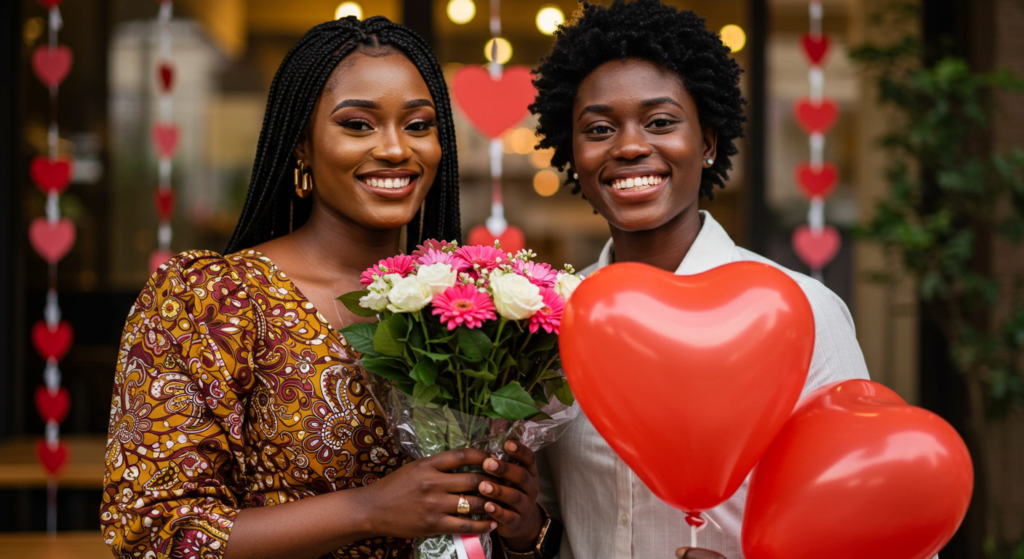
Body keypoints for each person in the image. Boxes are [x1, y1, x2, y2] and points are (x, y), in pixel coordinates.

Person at [101, 16, 549, 559]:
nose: (394, 149)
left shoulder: (474, 305)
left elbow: (491, 529)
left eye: (418, 125)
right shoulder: (212, 301)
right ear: (301, 147)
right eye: (358, 124)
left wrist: (521, 524)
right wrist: (370, 509)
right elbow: (153, 536)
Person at [529, 1, 871, 558]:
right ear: (573, 155)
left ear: (708, 144)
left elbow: (867, 519)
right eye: (598, 128)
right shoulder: (551, 320)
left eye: (660, 122)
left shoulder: (802, 311)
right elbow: (549, 514)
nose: (630, 146)